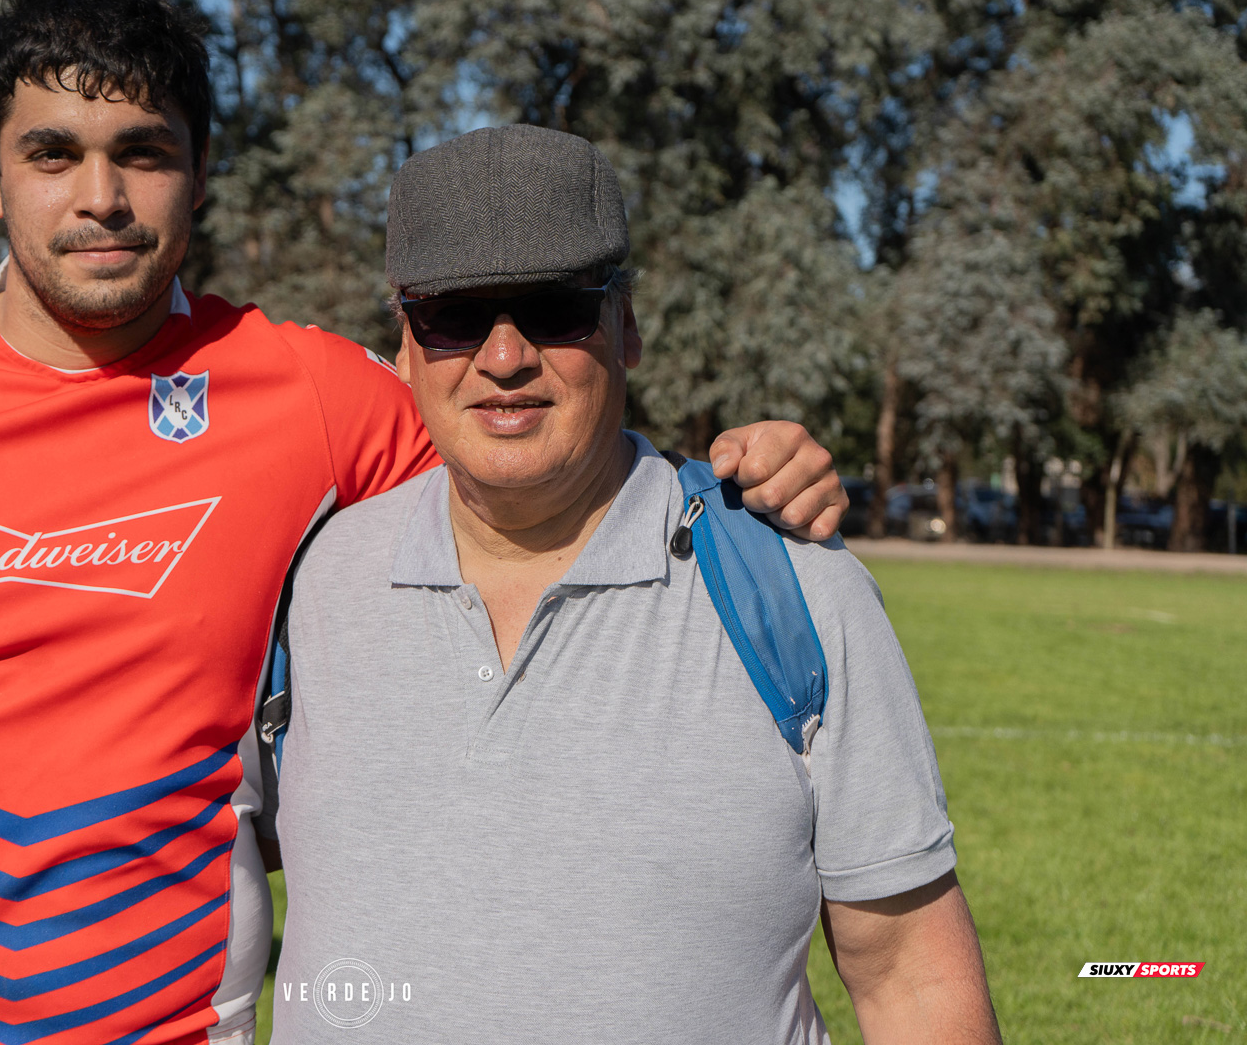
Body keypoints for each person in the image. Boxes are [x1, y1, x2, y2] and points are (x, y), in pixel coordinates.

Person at [0, 0, 847, 1045]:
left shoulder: (306, 390)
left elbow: (542, 455)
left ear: (197, 177)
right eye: (54, 154)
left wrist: (739, 468)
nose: (101, 196)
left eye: (142, 152)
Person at [263, 125, 1001, 1042]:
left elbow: (911, 979)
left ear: (628, 328)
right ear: (406, 346)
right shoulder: (315, 579)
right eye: (453, 317)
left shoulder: (795, 585)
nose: (503, 358)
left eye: (554, 307)